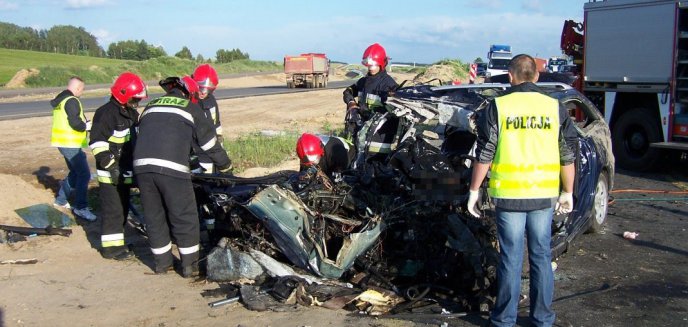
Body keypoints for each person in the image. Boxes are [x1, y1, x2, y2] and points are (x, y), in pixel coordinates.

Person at [466, 54, 576, 327]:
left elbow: (485, 153)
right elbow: (568, 154)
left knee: (511, 258)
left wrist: (474, 190)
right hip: (543, 196)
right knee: (540, 254)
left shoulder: (498, 107)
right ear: (537, 76)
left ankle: (504, 319)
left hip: (510, 196)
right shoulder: (554, 108)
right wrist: (568, 192)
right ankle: (542, 318)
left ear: (511, 77)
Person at [133, 76, 232, 277]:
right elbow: (209, 145)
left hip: (142, 168)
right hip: (172, 169)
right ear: (189, 93)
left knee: (155, 216)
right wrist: (226, 167)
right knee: (184, 216)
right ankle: (190, 266)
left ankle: (162, 264)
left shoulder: (151, 106)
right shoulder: (189, 107)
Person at [89, 72, 147, 260]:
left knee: (122, 208)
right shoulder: (105, 114)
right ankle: (111, 249)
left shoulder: (130, 113)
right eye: (135, 98)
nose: (137, 102)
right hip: (111, 172)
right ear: (123, 94)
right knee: (113, 210)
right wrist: (111, 166)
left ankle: (118, 243)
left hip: (125, 170)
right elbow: (97, 143)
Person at [50, 76, 97, 221]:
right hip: (69, 143)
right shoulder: (72, 100)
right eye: (82, 89)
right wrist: (86, 126)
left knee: (76, 173)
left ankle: (61, 201)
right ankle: (80, 207)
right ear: (77, 88)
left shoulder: (61, 100)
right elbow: (75, 122)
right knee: (84, 174)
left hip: (63, 142)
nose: (82, 92)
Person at [342, 43, 398, 157]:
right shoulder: (363, 81)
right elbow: (348, 92)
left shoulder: (389, 84)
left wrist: (366, 111)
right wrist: (351, 103)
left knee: (376, 166)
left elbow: (393, 110)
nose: (370, 68)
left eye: (373, 65)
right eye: (368, 66)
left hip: (380, 135)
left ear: (381, 64)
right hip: (362, 131)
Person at [191, 64, 223, 173]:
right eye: (200, 88)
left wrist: (220, 147)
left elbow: (217, 124)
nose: (203, 92)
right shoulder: (189, 101)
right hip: (195, 151)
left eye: (207, 90)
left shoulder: (211, 100)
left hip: (211, 149)